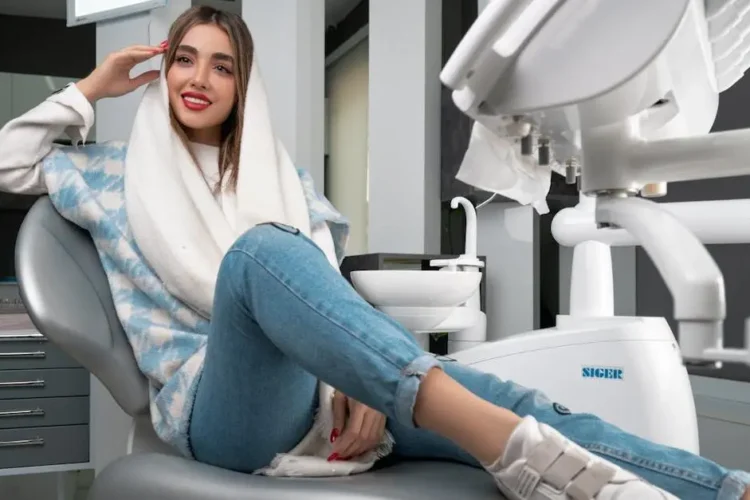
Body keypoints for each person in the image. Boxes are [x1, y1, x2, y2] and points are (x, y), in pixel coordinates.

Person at [0, 6, 748, 500]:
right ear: (163, 73)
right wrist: (91, 88)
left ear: (242, 84)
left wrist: (348, 375)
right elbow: (8, 162)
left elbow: (325, 297)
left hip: (317, 394)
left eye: (222, 65)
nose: (199, 78)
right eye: (185, 60)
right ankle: (488, 433)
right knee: (261, 254)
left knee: (521, 404)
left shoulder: (283, 180)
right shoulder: (103, 173)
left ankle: (721, 489)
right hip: (218, 411)